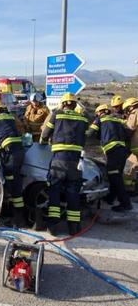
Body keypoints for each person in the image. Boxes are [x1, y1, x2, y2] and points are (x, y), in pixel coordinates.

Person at [40, 92, 88, 236]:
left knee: (54, 190)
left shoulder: (57, 114)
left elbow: (45, 133)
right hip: (75, 161)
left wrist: (42, 142)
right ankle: (74, 227)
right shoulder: (82, 118)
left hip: (59, 159)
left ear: (62, 103)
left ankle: (53, 226)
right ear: (74, 105)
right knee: (73, 192)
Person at [0, 100, 27, 227]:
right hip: (19, 151)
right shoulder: (10, 116)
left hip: (10, 154)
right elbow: (20, 130)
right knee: (16, 181)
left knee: (11, 184)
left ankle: (17, 218)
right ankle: (17, 214)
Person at [87, 104, 132, 212]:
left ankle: (125, 204)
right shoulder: (118, 120)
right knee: (116, 176)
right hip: (122, 151)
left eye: (97, 113)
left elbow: (90, 133)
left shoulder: (100, 119)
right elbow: (127, 135)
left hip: (113, 151)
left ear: (99, 112)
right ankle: (110, 198)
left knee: (115, 177)